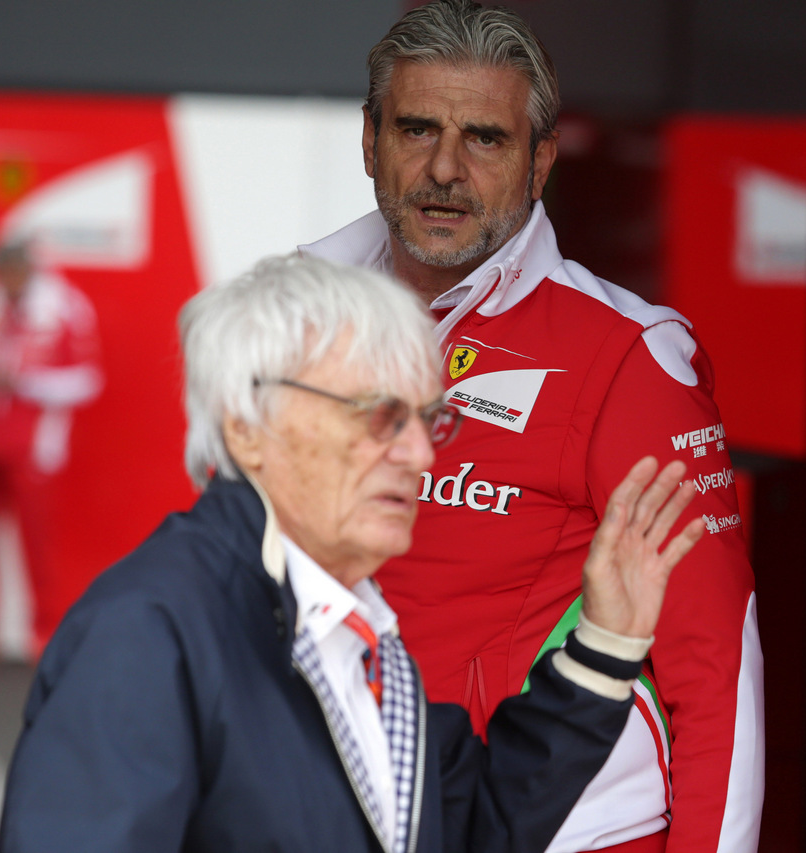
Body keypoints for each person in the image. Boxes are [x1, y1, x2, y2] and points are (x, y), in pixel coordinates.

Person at [0, 254, 705, 853]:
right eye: (378, 415)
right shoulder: (151, 631)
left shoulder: (354, 630)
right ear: (247, 426)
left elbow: (469, 827)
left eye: (429, 419)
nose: (420, 454)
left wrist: (607, 643)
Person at [299, 2, 765, 851]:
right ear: (370, 141)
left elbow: (715, 657)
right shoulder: (299, 316)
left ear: (539, 161)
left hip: (560, 825)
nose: (444, 167)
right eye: (416, 128)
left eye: (485, 138)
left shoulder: (628, 355)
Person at [0, 240, 102, 663]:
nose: (7, 282)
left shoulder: (65, 308)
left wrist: (21, 380)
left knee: (37, 540)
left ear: (30, 269)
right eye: (1, 273)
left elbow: (87, 379)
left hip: (34, 445)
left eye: (15, 272)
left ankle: (45, 628)